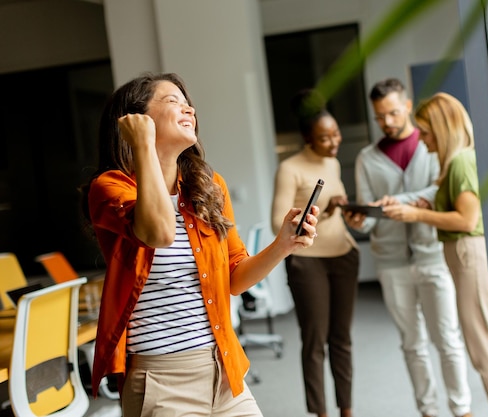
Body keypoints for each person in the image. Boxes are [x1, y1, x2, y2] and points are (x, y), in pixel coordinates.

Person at [80, 72, 319, 417]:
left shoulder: (209, 187)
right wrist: (144, 146)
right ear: (136, 120)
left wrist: (282, 244)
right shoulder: (110, 187)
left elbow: (235, 278)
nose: (189, 109)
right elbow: (158, 232)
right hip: (161, 382)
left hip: (222, 370)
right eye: (173, 101)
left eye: (188, 103)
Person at [344, 79, 472, 417]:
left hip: (432, 255)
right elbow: (371, 215)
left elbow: (435, 192)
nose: (387, 121)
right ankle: (428, 411)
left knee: (447, 339)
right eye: (379, 116)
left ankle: (462, 410)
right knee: (412, 344)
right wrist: (362, 219)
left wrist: (392, 203)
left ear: (408, 105)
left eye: (393, 112)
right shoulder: (366, 158)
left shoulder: (433, 146)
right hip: (391, 261)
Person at [384, 92, 488, 417]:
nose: (421, 140)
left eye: (425, 132)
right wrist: (424, 204)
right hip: (462, 255)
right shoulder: (454, 163)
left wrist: (417, 216)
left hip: (468, 254)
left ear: (442, 128)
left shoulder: (461, 160)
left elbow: (468, 219)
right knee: (481, 345)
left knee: (483, 348)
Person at [271, 89, 360, 417]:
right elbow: (276, 224)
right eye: (325, 137)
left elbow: (335, 209)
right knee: (315, 342)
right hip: (307, 263)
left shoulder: (333, 163)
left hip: (343, 256)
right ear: (309, 138)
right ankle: (320, 412)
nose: (334, 142)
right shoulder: (289, 169)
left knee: (342, 339)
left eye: (336, 134)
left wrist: (346, 209)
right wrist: (323, 207)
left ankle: (347, 410)